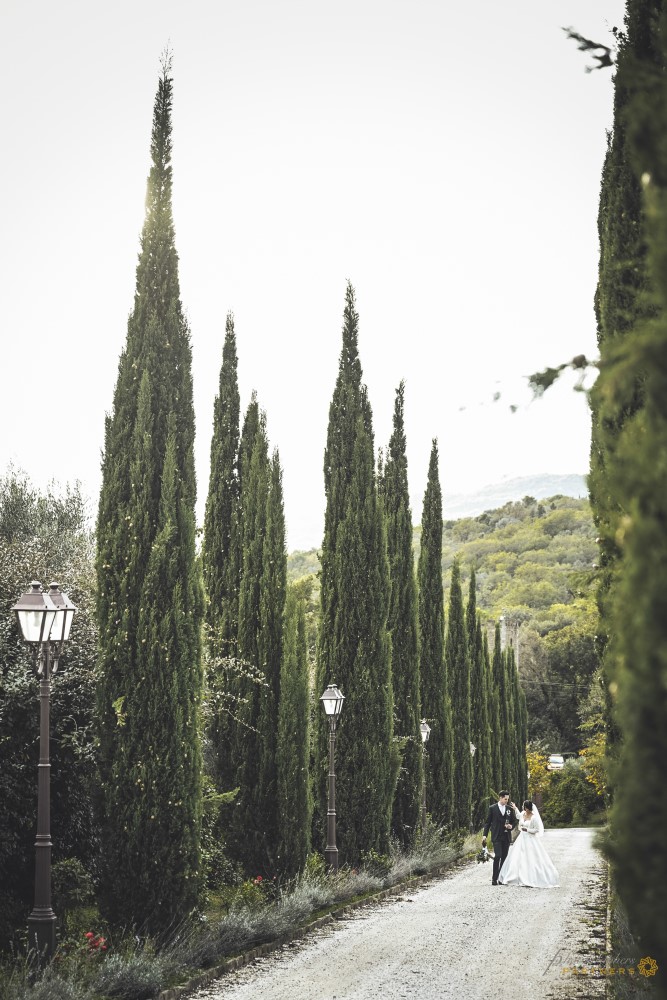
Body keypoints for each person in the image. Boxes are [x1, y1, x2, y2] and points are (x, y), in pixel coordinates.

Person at [497, 800, 559, 888]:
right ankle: (515, 876)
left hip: (530, 839)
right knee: (517, 856)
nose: (524, 809)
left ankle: (531, 876)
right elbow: (518, 816)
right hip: (522, 838)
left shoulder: (534, 818)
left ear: (528, 808)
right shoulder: (523, 813)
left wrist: (528, 830)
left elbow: (537, 830)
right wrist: (515, 808)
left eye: (525, 807)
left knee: (531, 857)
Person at [482, 791, 518, 886]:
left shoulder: (509, 809)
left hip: (506, 836)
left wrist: (511, 826)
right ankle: (494, 879)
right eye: (505, 799)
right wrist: (484, 835)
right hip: (496, 836)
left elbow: (514, 821)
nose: (507, 801)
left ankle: (501, 878)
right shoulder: (492, 808)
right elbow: (487, 823)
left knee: (504, 858)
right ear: (500, 798)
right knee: (497, 856)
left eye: (507, 799)